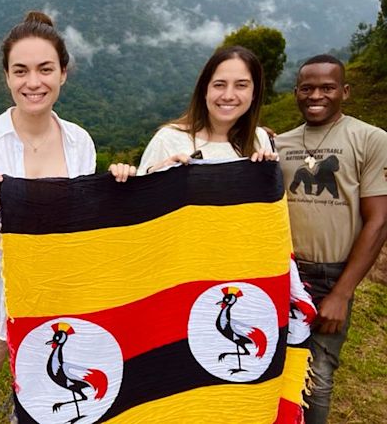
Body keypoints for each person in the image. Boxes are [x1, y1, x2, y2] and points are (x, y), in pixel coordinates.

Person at [0, 11, 133, 422]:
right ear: (7, 77)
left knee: (50, 405)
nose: (33, 82)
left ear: (63, 73)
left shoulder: (80, 141)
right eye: (21, 71)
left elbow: (82, 222)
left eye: (45, 69)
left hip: (54, 301)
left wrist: (121, 188)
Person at [276, 54, 387, 424]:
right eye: (307, 88)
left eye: (327, 87)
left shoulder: (370, 139)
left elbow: (379, 221)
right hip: (282, 273)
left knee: (317, 375)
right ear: (295, 93)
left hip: (330, 275)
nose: (316, 95)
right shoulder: (281, 144)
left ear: (345, 91)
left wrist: (341, 294)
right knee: (277, 370)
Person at [128, 46, 277, 176]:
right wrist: (157, 175)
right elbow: (140, 203)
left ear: (254, 94)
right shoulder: (168, 139)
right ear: (205, 90)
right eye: (219, 85)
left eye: (241, 85)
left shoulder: (259, 138)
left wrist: (269, 172)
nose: (228, 96)